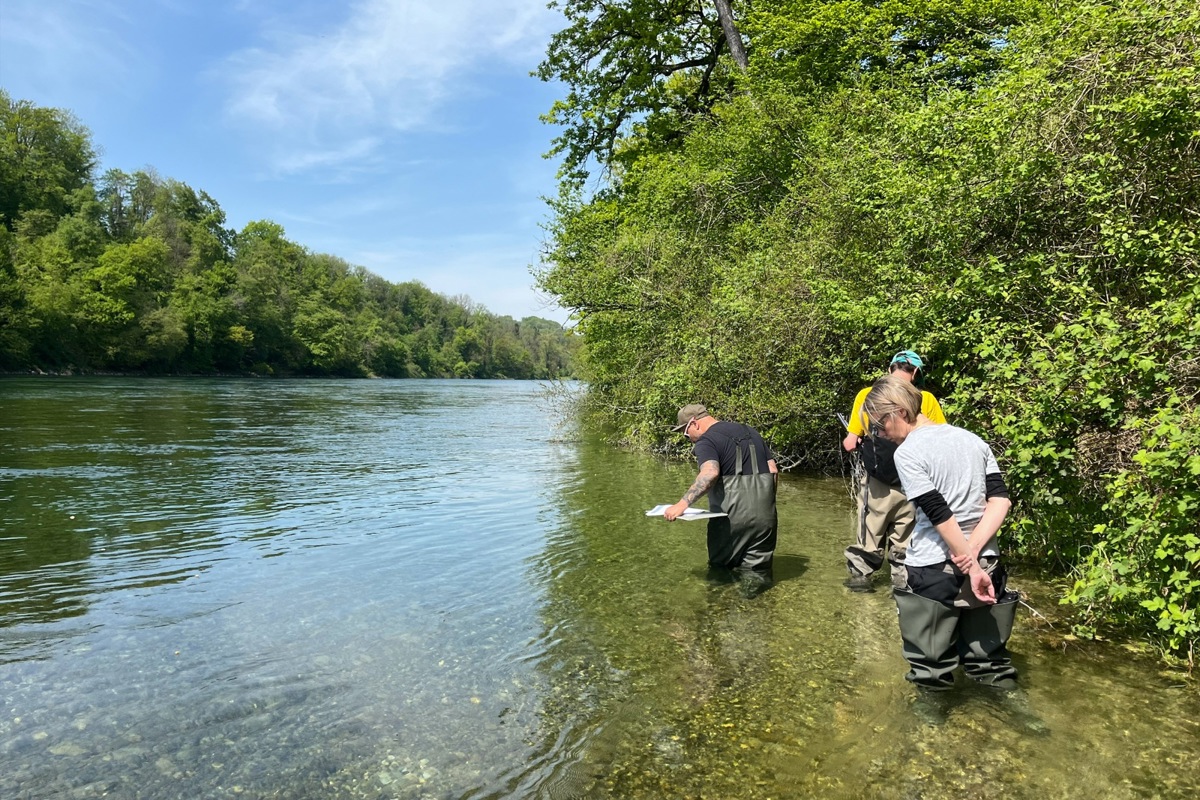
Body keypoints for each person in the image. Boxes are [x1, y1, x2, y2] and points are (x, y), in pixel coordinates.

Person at [863, 376, 1019, 690]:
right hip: (988, 562)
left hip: (935, 568)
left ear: (899, 413)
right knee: (990, 664)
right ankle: (1014, 715)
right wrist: (974, 554)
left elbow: (938, 512)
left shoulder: (907, 453)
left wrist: (968, 562)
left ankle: (928, 732)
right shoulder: (973, 440)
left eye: (879, 426)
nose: (879, 435)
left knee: (930, 668)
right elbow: (1000, 499)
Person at [841, 350, 946, 592]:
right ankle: (901, 590)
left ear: (890, 369)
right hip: (914, 483)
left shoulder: (867, 395)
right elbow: (939, 438)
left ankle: (860, 589)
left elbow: (849, 442)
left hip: (877, 484)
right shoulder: (926, 399)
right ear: (916, 373)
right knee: (905, 544)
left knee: (868, 540)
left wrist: (859, 439)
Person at [664, 404, 778, 585]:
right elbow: (773, 470)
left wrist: (682, 504)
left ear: (694, 423)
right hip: (766, 519)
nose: (689, 439)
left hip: (731, 521)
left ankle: (720, 609)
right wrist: (764, 506)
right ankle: (757, 608)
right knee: (757, 575)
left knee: (721, 575)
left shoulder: (706, 440)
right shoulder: (751, 432)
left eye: (685, 434)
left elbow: (710, 473)